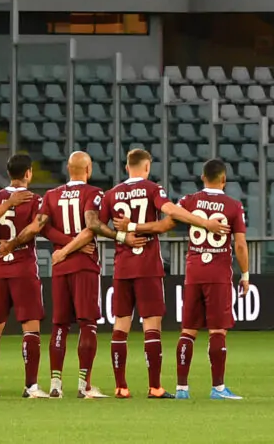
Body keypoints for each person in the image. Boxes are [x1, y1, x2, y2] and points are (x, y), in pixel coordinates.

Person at [163, 157, 249, 400]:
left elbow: (167, 222)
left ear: (202, 177)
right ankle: (218, 388)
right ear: (224, 179)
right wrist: (245, 275)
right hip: (218, 275)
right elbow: (240, 245)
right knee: (217, 331)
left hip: (193, 273)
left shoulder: (189, 201)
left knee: (188, 331)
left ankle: (181, 389)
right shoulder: (233, 206)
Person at [101, 146, 176, 398]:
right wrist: (141, 227)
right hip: (148, 267)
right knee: (152, 325)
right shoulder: (154, 189)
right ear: (147, 167)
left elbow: (97, 226)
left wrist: (123, 233)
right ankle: (155, 387)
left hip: (122, 267)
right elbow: (168, 221)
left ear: (126, 167)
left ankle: (121, 386)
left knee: (120, 324)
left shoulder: (111, 194)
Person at [41, 150, 109, 398]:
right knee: (87, 323)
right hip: (84, 264)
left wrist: (62, 248)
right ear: (88, 169)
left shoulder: (51, 195)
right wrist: (74, 244)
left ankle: (55, 385)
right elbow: (92, 229)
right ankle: (84, 385)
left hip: (60, 266)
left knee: (59, 325)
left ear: (68, 169)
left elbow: (44, 228)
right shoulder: (94, 194)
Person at [0, 154, 48, 398]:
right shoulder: (35, 200)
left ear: (8, 173)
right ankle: (31, 386)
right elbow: (36, 228)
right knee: (30, 327)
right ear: (28, 173)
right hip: (23, 266)